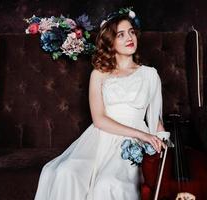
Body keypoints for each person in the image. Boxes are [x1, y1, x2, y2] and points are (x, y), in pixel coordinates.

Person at [34, 8, 166, 200]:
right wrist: (141, 133)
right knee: (66, 172)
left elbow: (156, 121)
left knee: (108, 184)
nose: (129, 37)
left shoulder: (150, 74)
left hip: (131, 144)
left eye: (131, 32)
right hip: (100, 137)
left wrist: (157, 142)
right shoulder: (99, 74)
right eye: (120, 34)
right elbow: (99, 119)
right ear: (110, 42)